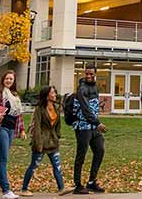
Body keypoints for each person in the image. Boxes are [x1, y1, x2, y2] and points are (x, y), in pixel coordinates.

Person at [0, 71, 26, 199]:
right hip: (1, 129)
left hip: (11, 130)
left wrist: (22, 130)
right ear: (3, 79)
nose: (9, 81)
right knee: (3, 160)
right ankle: (6, 190)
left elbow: (18, 115)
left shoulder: (14, 95)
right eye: (7, 78)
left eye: (11, 79)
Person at [20, 85, 65, 196]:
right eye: (53, 93)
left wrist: (57, 135)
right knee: (33, 165)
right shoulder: (39, 109)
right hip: (41, 142)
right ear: (47, 95)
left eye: (55, 92)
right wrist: (38, 144)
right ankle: (24, 189)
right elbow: (37, 128)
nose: (55, 95)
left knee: (57, 165)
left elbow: (58, 124)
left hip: (53, 141)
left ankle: (61, 188)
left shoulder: (56, 107)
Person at [71, 65, 106, 195]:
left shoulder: (95, 88)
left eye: (91, 74)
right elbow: (86, 109)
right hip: (83, 126)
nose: (88, 76)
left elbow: (93, 106)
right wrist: (98, 123)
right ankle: (78, 185)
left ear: (95, 74)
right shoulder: (82, 89)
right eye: (86, 74)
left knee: (100, 150)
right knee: (81, 154)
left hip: (93, 127)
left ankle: (91, 182)